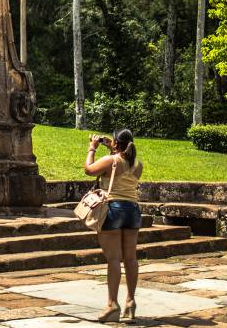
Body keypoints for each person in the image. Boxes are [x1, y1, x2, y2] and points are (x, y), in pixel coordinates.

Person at [84, 129, 143, 322]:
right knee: (130, 258)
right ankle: (130, 302)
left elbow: (89, 169)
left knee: (114, 259)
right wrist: (113, 149)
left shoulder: (112, 160)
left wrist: (92, 148)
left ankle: (112, 305)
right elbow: (120, 170)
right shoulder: (137, 164)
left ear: (116, 143)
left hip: (114, 209)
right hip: (133, 210)